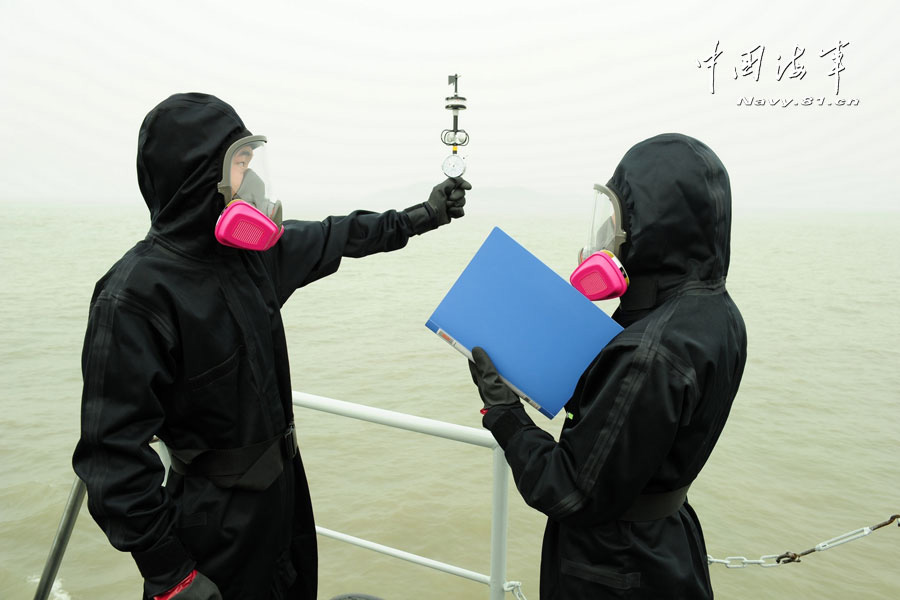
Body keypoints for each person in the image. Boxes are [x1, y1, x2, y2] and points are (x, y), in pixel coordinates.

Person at [71, 92, 470, 600]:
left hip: (283, 497)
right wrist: (170, 573)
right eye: (240, 163)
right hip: (212, 522)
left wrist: (423, 215)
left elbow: (338, 235)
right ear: (197, 175)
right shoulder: (134, 295)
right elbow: (112, 457)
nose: (252, 181)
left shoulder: (253, 260)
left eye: (251, 163)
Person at [467, 133, 746, 599]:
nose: (612, 235)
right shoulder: (717, 312)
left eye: (620, 220)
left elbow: (569, 490)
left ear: (653, 226)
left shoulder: (648, 353)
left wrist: (505, 413)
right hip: (668, 544)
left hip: (615, 567)